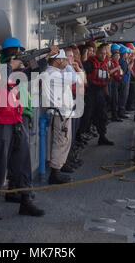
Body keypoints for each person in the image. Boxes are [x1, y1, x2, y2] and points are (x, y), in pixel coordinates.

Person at [0, 37, 45, 220]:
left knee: (23, 161)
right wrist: (12, 65)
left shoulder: (12, 69)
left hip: (16, 119)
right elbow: (1, 79)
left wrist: (43, 57)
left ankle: (25, 198)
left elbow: (33, 73)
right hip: (2, 122)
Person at [40, 49, 77, 184]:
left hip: (62, 113)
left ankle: (58, 168)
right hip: (60, 114)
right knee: (61, 142)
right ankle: (55, 172)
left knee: (63, 141)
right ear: (58, 60)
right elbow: (74, 78)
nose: (67, 62)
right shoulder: (52, 73)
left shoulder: (55, 72)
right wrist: (68, 65)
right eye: (64, 59)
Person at [78, 44, 114, 146]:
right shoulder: (89, 63)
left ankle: (102, 136)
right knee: (87, 115)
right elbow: (82, 79)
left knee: (102, 115)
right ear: (97, 52)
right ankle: (79, 136)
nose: (103, 56)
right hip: (90, 92)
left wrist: (107, 95)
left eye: (105, 54)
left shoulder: (105, 65)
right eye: (101, 53)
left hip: (100, 93)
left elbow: (105, 81)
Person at [109, 44, 123, 122]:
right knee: (114, 100)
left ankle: (116, 115)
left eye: (118, 56)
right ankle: (114, 116)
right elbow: (109, 72)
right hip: (113, 83)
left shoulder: (117, 63)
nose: (118, 57)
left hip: (117, 82)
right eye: (116, 56)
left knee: (117, 100)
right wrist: (116, 68)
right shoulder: (112, 63)